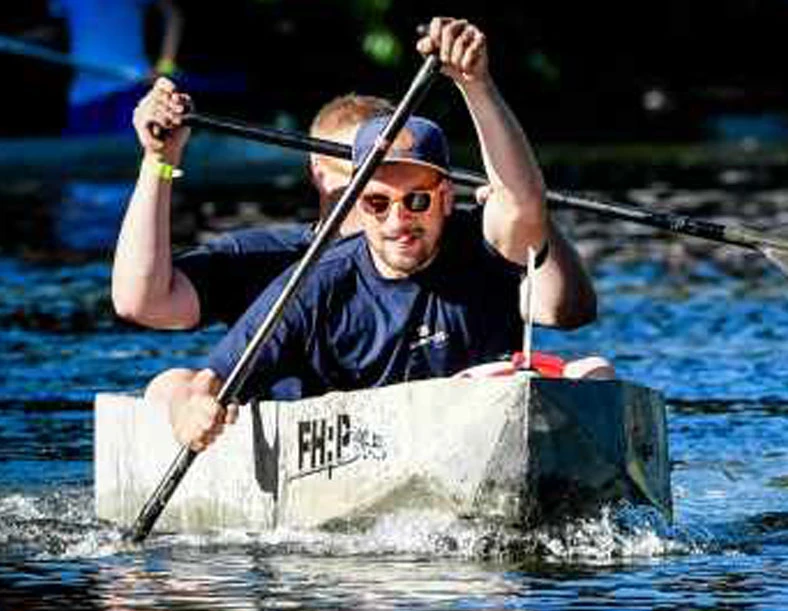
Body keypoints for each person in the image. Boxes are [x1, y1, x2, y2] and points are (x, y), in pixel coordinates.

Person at [150, 17, 608, 451]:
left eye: (417, 201)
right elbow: (211, 378)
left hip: (479, 426)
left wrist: (475, 84)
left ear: (447, 197)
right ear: (356, 204)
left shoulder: (481, 245)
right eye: (377, 202)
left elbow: (523, 202)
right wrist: (195, 408)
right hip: (359, 448)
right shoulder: (317, 280)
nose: (397, 220)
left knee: (594, 373)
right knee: (170, 386)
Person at [112, 82, 393, 330]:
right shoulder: (264, 258)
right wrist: (159, 159)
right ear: (319, 173)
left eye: (399, 172)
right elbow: (141, 303)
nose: (385, 185)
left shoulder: (429, 254)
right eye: (366, 169)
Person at [50, 0, 183, 135]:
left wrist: (165, 66)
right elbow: (54, 30)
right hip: (83, 97)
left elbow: (172, 15)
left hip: (130, 90)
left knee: (136, 153)